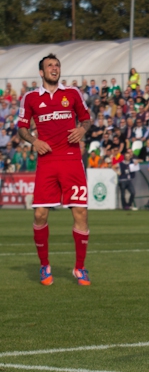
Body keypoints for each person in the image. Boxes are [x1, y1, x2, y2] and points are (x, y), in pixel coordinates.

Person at [17, 54, 93, 286]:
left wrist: (82, 129)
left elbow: (87, 119)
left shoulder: (72, 94)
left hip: (71, 161)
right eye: (49, 65)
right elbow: (21, 127)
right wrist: (34, 141)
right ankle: (44, 266)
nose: (54, 68)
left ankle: (79, 269)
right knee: (40, 214)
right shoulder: (30, 98)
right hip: (47, 162)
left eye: (57, 65)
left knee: (80, 213)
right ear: (41, 72)